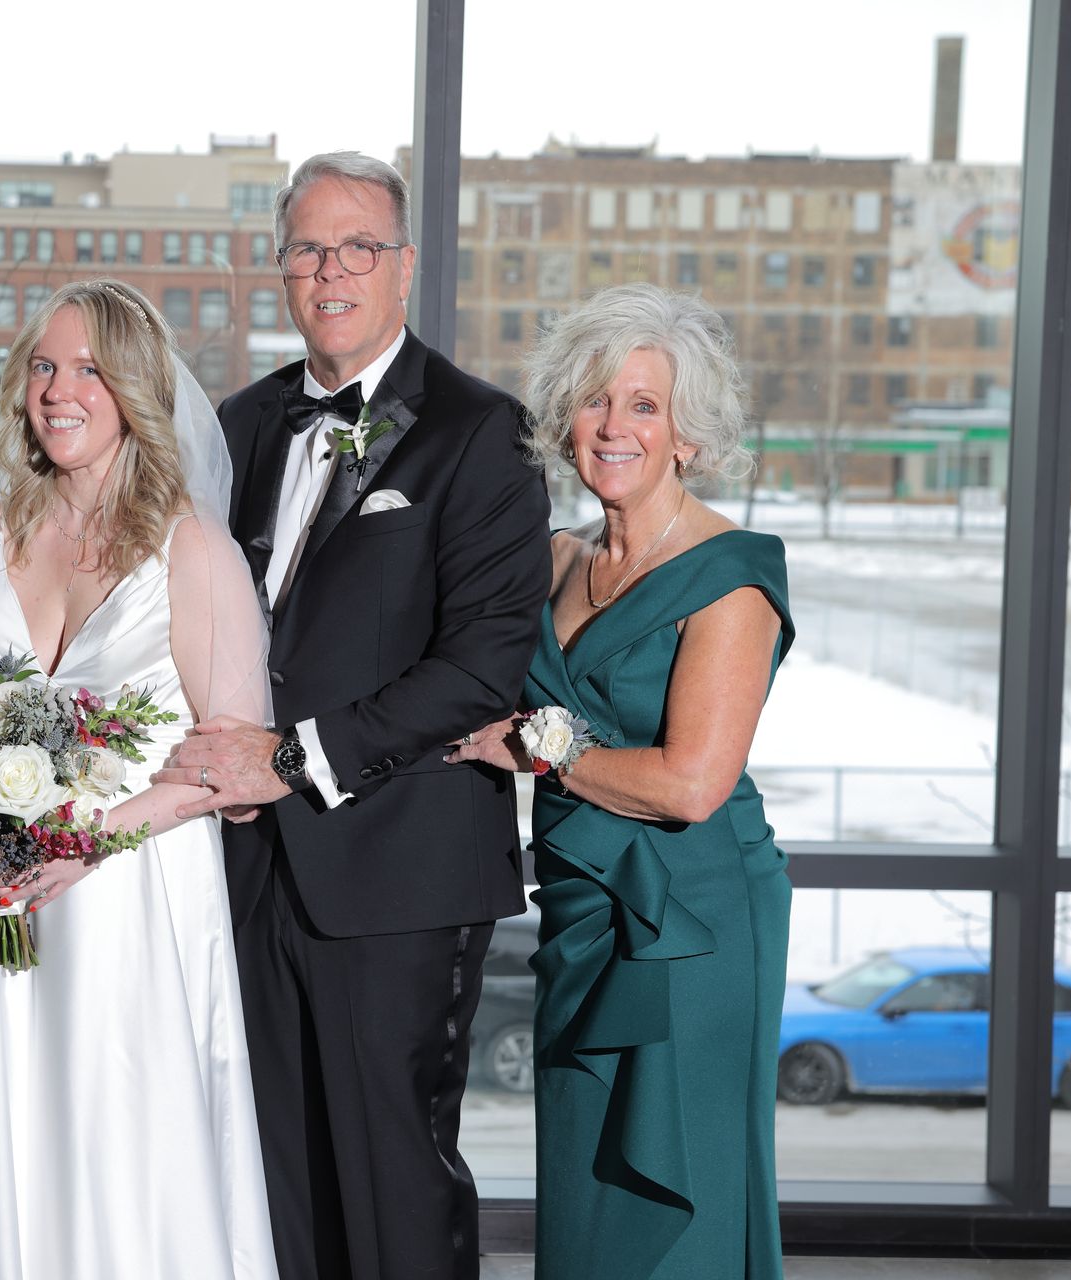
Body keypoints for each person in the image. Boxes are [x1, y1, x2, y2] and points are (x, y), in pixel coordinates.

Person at [153, 152, 551, 1280]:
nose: (331, 270)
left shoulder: (482, 433)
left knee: (391, 1174)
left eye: (358, 246)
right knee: (267, 1166)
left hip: (399, 871)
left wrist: (292, 757)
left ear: (405, 266)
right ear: (283, 267)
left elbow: (481, 664)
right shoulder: (238, 424)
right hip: (245, 862)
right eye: (309, 249)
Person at [0, 279, 280, 1279]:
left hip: (133, 899)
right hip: (7, 895)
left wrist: (84, 843)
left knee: (125, 1151)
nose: (60, 390)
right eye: (43, 366)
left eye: (89, 370)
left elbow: (233, 765)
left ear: (136, 390)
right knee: (8, 1144)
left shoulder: (193, 550)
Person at [447, 282, 793, 1278]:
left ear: (688, 435)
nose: (614, 424)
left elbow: (692, 783)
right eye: (597, 399)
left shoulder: (730, 577)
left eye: (644, 403)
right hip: (582, 912)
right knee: (588, 1186)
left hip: (693, 921)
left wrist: (542, 751)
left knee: (681, 1198)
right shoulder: (556, 558)